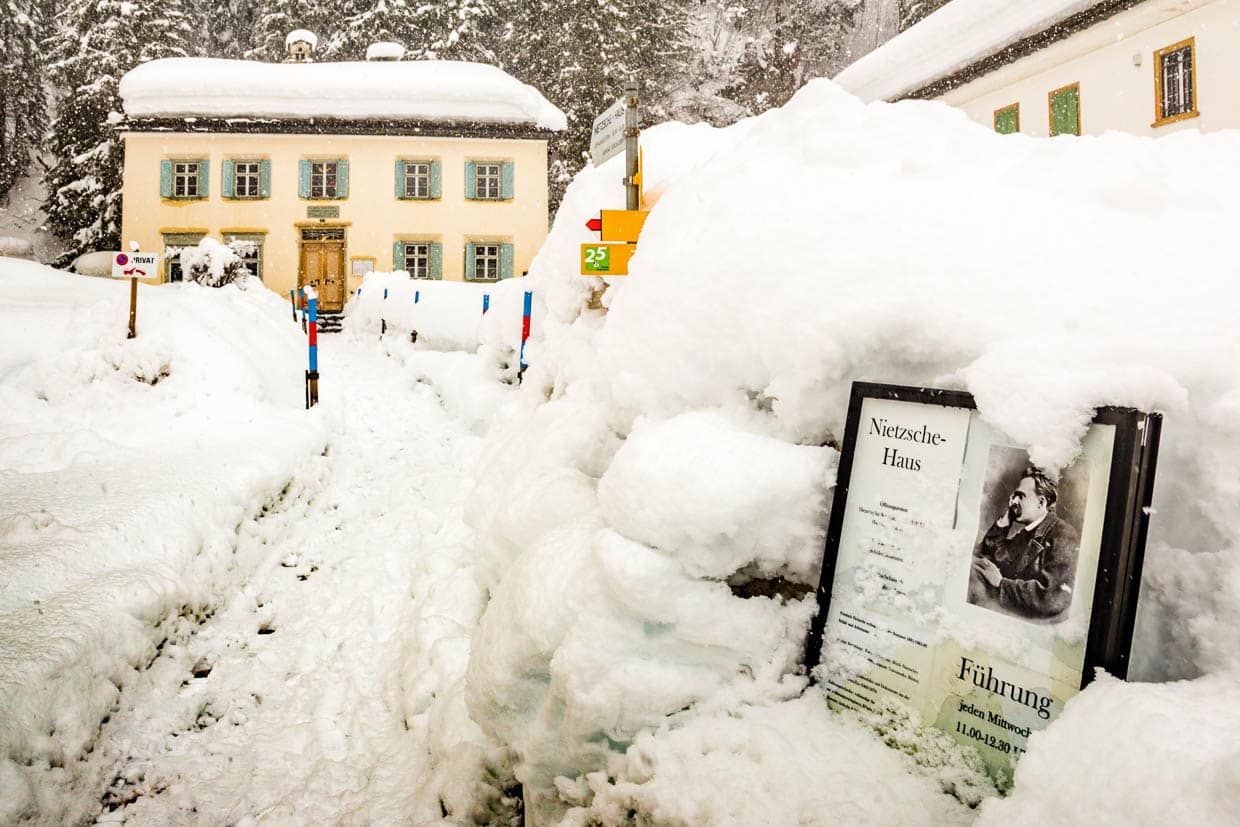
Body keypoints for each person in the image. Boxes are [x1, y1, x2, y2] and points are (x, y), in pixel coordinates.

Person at [969, 467, 1080, 623]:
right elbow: (988, 555)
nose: (1014, 501)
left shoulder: (1063, 534)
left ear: (1041, 502)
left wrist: (1001, 583)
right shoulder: (1027, 533)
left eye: (1020, 496)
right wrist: (1005, 521)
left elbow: (1051, 598)